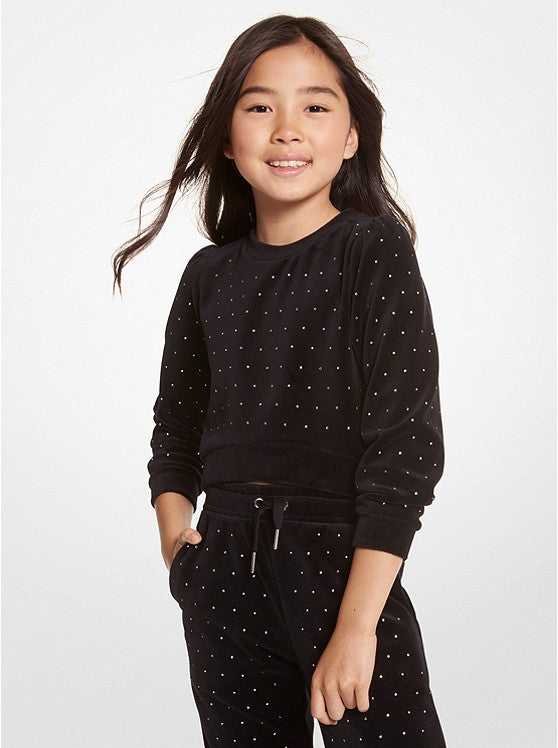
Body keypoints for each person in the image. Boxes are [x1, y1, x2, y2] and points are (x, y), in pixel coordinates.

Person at [112, 14, 447, 747]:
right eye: (260, 106)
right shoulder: (207, 276)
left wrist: (357, 626)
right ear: (227, 139)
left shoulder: (373, 249)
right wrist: (178, 547)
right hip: (223, 566)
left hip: (342, 563)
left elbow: (406, 447)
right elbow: (177, 425)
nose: (287, 129)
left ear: (351, 135)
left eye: (315, 106)